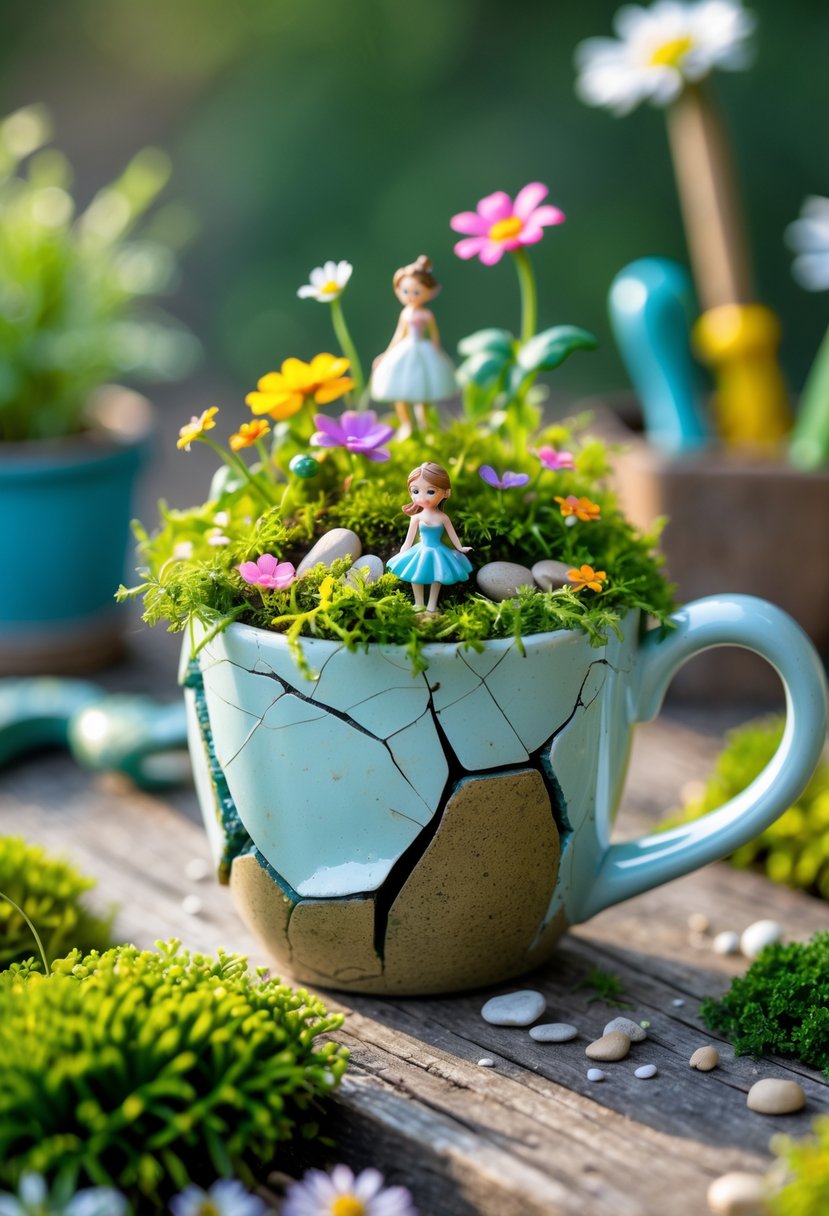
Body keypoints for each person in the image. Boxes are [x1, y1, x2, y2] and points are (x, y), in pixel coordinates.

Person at [370, 255, 457, 435]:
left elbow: (434, 335)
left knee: (422, 390)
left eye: (416, 292)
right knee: (400, 391)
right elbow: (398, 335)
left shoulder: (426, 315)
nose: (410, 296)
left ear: (429, 292)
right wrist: (386, 355)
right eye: (405, 291)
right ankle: (406, 424)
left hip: (423, 351)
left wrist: (437, 351)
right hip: (405, 350)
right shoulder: (405, 314)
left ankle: (424, 424)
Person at [387, 462, 472, 612]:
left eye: (431, 492)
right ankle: (419, 603)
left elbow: (453, 536)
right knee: (415, 575)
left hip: (437, 551)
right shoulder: (416, 517)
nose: (423, 497)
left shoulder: (443, 518)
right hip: (420, 550)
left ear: (446, 493)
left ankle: (432, 605)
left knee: (437, 577)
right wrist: (403, 551)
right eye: (416, 491)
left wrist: (460, 548)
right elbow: (409, 539)